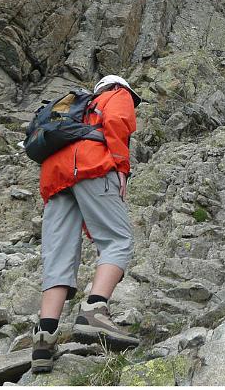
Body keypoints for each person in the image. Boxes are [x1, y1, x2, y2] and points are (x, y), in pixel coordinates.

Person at [31, 75, 143, 373]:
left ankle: (44, 336)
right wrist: (121, 167)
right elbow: (117, 122)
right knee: (117, 241)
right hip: (90, 164)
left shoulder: (77, 110)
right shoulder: (117, 94)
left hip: (55, 176)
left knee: (58, 254)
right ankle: (95, 310)